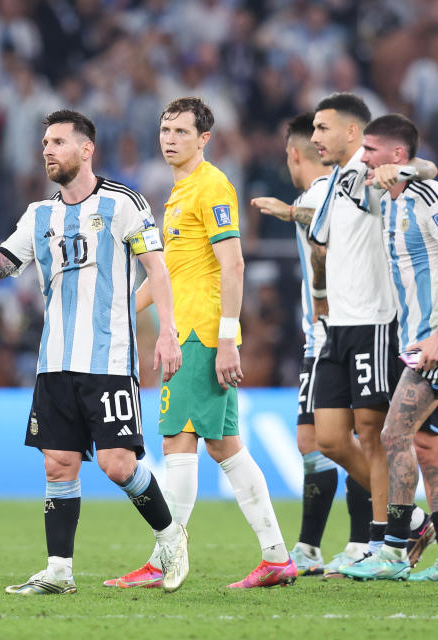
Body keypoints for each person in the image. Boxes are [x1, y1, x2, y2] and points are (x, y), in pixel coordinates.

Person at [0, 109, 189, 595]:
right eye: (45, 142)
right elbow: (4, 266)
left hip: (109, 360)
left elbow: (158, 269)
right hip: (53, 363)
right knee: (58, 464)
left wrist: (167, 331)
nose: (47, 150)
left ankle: (171, 538)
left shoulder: (124, 203)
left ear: (86, 149)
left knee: (118, 464)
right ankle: (59, 571)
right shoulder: (39, 214)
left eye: (58, 142)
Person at [108, 97, 296, 590]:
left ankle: (164, 558)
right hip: (195, 329)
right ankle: (276, 556)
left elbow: (233, 264)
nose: (170, 139)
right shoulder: (179, 191)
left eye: (181, 132)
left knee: (178, 439)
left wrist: (228, 339)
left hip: (199, 333)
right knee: (224, 445)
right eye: (165, 130)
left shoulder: (211, 185)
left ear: (204, 138)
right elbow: (169, 269)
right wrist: (121, 312)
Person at [340, 114, 438, 581]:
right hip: (415, 343)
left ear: (398, 155)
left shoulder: (432, 199)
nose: (364, 157)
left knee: (393, 435)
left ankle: (395, 549)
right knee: (428, 450)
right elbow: (419, 167)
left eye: (372, 149)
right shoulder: (387, 197)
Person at [306, 93, 436, 574]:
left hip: (374, 322)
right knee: (331, 439)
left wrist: (403, 171)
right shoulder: (336, 179)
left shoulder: (372, 174)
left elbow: (430, 169)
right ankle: (416, 518)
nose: (315, 137)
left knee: (370, 433)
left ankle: (385, 540)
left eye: (323, 128)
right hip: (336, 326)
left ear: (353, 133)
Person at [251, 112, 371, 576]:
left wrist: (288, 211)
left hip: (343, 333)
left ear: (293, 154)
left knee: (348, 438)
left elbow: (325, 222)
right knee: (312, 440)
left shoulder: (325, 193)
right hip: (319, 337)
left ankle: (369, 538)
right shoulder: (320, 194)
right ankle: (311, 547)